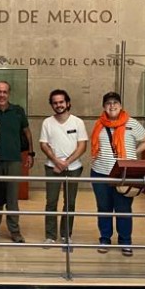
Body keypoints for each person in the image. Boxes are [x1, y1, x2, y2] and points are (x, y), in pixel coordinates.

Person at [90, 92, 145, 256]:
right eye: (108, 103)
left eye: (115, 102)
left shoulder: (132, 123)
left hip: (124, 173)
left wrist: (133, 155)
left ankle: (125, 241)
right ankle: (105, 238)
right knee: (104, 207)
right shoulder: (99, 125)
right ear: (104, 106)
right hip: (100, 172)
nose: (112, 105)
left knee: (123, 208)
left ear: (121, 105)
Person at [0, 81, 33, 243]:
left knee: (12, 197)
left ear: (9, 93)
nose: (1, 95)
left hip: (13, 160)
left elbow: (27, 132)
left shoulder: (18, 111)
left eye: (4, 92)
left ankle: (14, 230)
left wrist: (30, 153)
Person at [39, 89, 88, 245]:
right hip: (52, 168)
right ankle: (50, 236)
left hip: (73, 168)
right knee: (51, 202)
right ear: (52, 105)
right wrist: (56, 161)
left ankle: (66, 234)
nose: (58, 105)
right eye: (55, 103)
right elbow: (43, 144)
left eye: (61, 102)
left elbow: (82, 146)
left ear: (68, 103)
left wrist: (66, 162)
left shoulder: (78, 122)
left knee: (70, 202)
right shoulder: (47, 122)